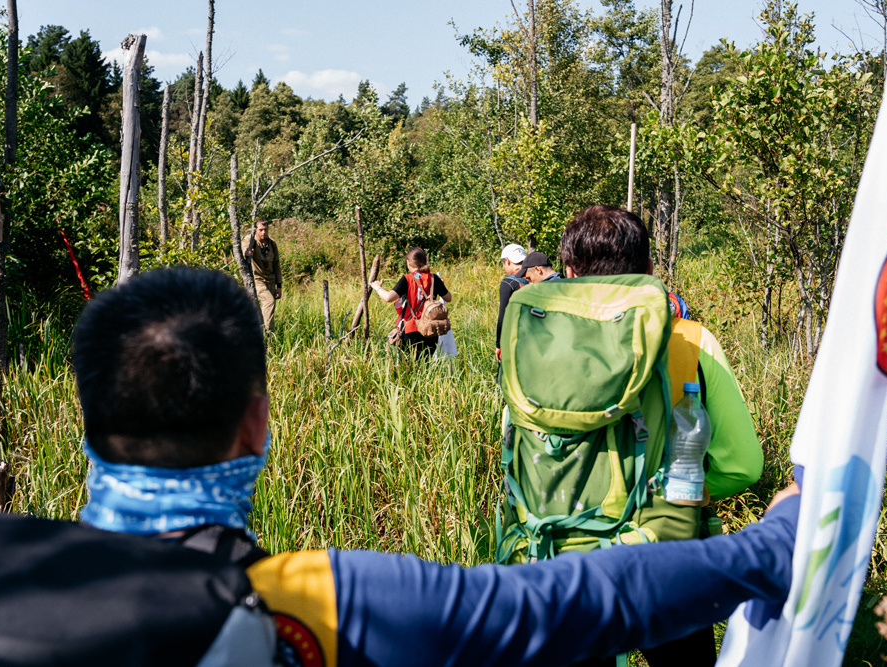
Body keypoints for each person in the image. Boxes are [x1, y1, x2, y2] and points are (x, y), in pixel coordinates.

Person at [59, 266, 798, 666]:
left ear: (87, 419)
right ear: (259, 424)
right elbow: (586, 597)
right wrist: (778, 535)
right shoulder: (325, 598)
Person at [550, 205, 764, 667]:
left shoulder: (542, 353)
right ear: (650, 271)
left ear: (568, 272)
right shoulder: (692, 341)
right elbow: (744, 464)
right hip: (672, 556)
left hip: (575, 556)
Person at [370, 247, 451, 359]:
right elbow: (448, 297)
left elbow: (388, 297)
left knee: (409, 369)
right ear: (424, 261)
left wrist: (377, 287)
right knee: (425, 367)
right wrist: (440, 285)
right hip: (430, 330)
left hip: (411, 330)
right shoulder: (434, 278)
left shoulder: (407, 279)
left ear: (408, 263)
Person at [242, 218, 282, 332]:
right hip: (258, 280)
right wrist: (246, 252)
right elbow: (243, 245)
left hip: (271, 280)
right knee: (269, 302)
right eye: (260, 230)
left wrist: (279, 287)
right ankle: (267, 333)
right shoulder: (251, 240)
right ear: (256, 230)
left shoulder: (272, 244)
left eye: (265, 229)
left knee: (269, 309)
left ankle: (269, 336)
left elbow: (276, 265)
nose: (263, 232)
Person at [496, 243, 529, 361]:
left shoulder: (508, 282)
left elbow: (503, 316)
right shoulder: (535, 275)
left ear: (507, 261)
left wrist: (498, 344)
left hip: (515, 336)